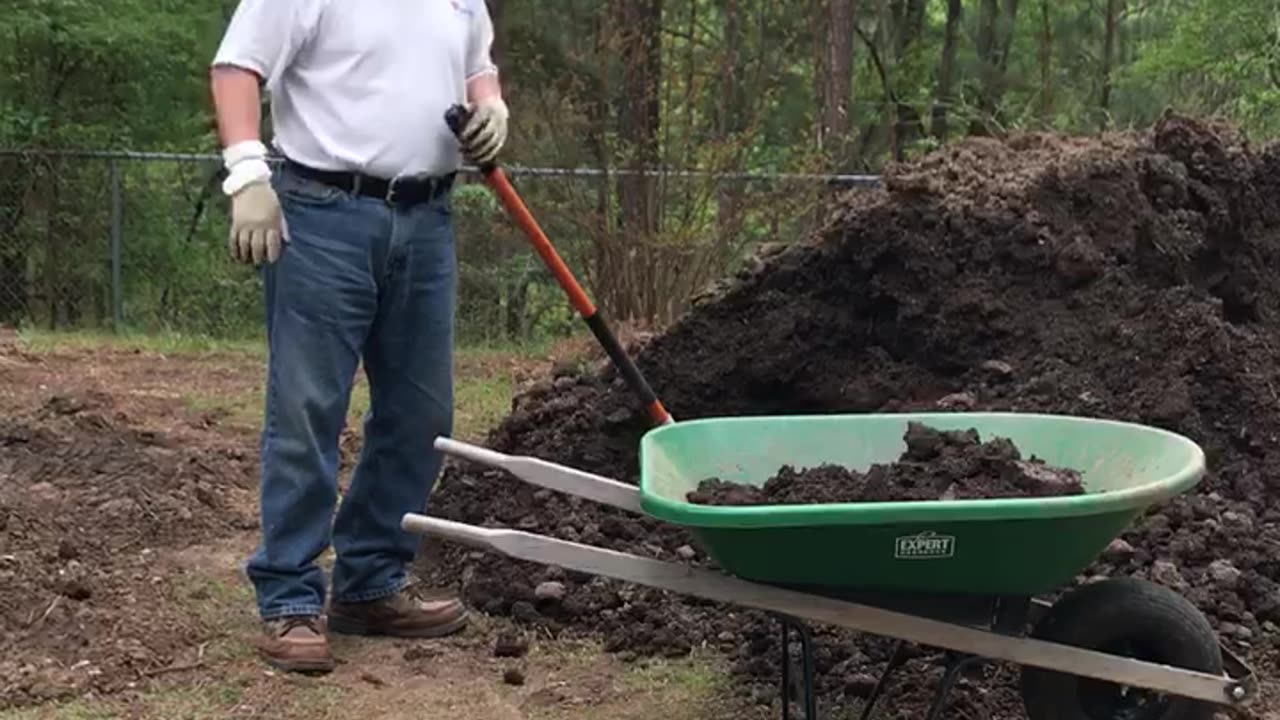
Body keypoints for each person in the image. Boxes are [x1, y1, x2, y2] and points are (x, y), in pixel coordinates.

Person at [208, 0, 508, 673]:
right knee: (307, 407)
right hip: (322, 214)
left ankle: (371, 580)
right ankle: (289, 596)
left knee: (421, 412)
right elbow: (237, 68)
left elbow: (475, 67)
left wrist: (491, 107)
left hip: (427, 218)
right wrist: (248, 175)